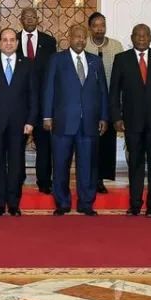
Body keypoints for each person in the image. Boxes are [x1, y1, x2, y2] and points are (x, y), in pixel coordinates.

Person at [109, 24, 151, 217]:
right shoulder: (121, 59)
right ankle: (135, 204)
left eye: (145, 35)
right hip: (132, 122)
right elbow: (114, 92)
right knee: (135, 164)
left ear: (150, 38)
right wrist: (116, 117)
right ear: (132, 38)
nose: (141, 38)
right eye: (137, 35)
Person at [43, 24, 108, 216]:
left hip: (89, 122)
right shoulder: (56, 60)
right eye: (76, 36)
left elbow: (102, 91)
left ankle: (86, 203)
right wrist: (47, 116)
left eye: (83, 37)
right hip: (62, 121)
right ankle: (62, 203)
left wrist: (104, 116)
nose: (80, 40)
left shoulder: (95, 61)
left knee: (88, 165)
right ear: (69, 37)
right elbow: (48, 89)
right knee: (61, 164)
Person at [0, 28, 38, 217]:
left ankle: (13, 203)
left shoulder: (27, 64)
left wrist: (31, 120)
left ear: (17, 43)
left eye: (12, 40)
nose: (9, 43)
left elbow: (33, 95)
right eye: (5, 40)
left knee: (16, 164)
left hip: (20, 124)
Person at [17, 8, 58, 194]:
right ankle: (18, 179)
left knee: (44, 145)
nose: (30, 20)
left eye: (33, 17)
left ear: (38, 19)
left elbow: (52, 72)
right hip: (19, 102)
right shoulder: (13, 40)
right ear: (21, 20)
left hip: (42, 103)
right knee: (17, 144)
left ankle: (44, 181)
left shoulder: (49, 41)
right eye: (26, 17)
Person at [85, 12, 124, 193]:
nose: (99, 29)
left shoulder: (116, 46)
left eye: (102, 25)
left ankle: (101, 178)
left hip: (110, 101)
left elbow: (123, 74)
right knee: (89, 142)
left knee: (106, 142)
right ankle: (90, 177)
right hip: (89, 102)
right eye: (95, 25)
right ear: (90, 28)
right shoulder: (84, 44)